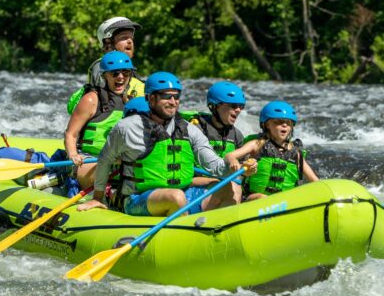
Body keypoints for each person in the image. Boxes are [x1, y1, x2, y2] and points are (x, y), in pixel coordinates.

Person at [77, 72, 257, 216]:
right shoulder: (127, 128)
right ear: (151, 99)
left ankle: (215, 234)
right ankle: (183, 239)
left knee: (228, 186)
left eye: (176, 97)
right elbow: (105, 160)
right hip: (138, 199)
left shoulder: (189, 129)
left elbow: (215, 166)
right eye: (166, 97)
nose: (173, 102)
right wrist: (98, 197)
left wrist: (239, 168)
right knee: (175, 197)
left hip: (183, 194)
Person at [64, 51, 136, 189]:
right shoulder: (91, 99)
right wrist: (73, 155)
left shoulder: (131, 103)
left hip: (117, 161)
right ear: (105, 76)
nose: (121, 77)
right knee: (101, 175)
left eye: (126, 73)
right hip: (88, 158)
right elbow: (70, 134)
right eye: (115, 73)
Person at [225, 100, 318, 201]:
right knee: (262, 197)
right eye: (278, 122)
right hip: (253, 199)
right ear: (267, 125)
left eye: (288, 123)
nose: (284, 125)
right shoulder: (257, 144)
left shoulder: (296, 154)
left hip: (285, 203)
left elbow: (314, 180)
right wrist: (234, 162)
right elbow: (229, 156)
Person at [183, 81, 247, 204]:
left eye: (241, 106)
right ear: (214, 106)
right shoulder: (195, 129)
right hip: (194, 186)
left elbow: (242, 170)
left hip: (223, 185)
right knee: (231, 186)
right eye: (233, 105)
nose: (238, 110)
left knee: (234, 186)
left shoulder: (237, 135)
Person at [67, 16, 144, 114]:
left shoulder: (129, 68)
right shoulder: (100, 67)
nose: (130, 41)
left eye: (131, 37)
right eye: (124, 37)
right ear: (108, 42)